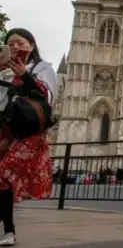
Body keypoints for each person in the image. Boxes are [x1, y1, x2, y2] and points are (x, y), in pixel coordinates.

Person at [0, 28, 56, 246]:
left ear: (31, 45)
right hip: (6, 129)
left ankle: (9, 232)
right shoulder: (2, 72)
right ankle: (8, 231)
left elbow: (47, 96)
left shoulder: (42, 69)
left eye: (20, 43)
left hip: (29, 131)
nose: (15, 47)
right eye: (10, 43)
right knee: (2, 181)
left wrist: (24, 75)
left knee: (2, 175)